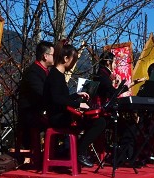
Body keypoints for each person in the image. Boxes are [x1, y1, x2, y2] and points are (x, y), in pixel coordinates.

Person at [42, 40, 106, 168]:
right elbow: (56, 99)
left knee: (97, 121)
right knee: (99, 122)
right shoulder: (55, 75)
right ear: (66, 58)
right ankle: (80, 151)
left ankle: (79, 150)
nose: (74, 63)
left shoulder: (57, 75)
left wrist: (77, 95)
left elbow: (61, 97)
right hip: (58, 118)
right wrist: (77, 104)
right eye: (73, 60)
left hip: (61, 114)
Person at [16, 40, 55, 168]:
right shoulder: (33, 72)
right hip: (30, 114)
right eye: (53, 55)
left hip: (39, 112)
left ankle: (53, 157)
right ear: (45, 56)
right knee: (58, 122)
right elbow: (42, 94)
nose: (54, 58)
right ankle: (50, 159)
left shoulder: (44, 71)